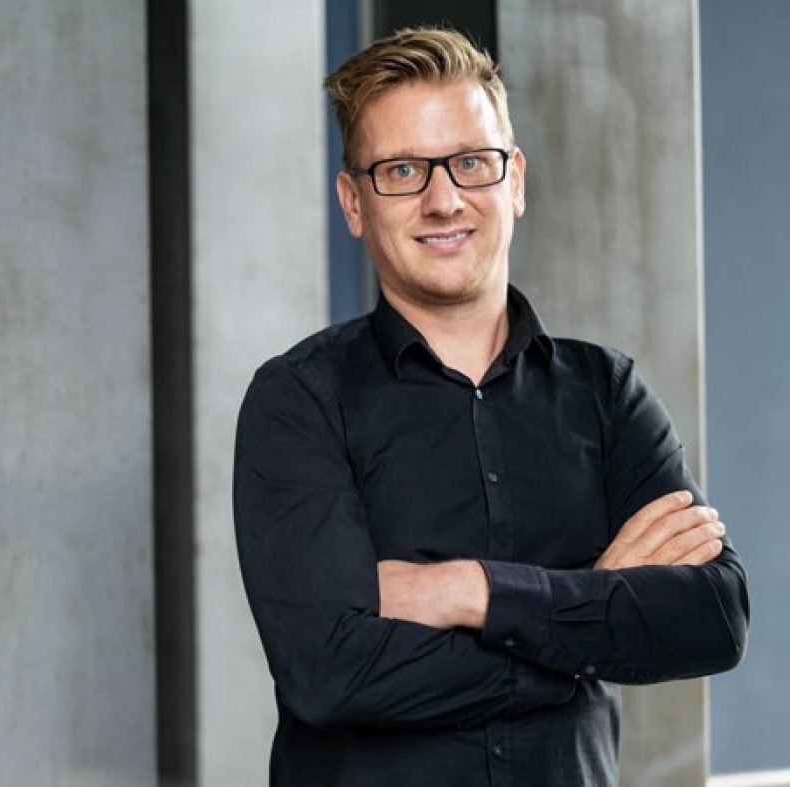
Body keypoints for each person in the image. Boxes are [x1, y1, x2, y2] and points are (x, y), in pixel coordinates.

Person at [232, 27, 749, 787]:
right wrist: (585, 619)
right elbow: (329, 673)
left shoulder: (606, 393)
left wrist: (465, 589)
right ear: (352, 202)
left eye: (471, 162)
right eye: (402, 170)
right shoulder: (299, 402)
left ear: (514, 181)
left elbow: (712, 618)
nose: (443, 200)